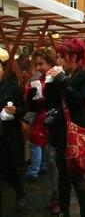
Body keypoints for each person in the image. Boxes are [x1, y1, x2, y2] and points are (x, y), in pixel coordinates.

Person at [45, 38, 85, 217]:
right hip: (60, 132)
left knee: (76, 176)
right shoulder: (63, 76)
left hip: (75, 132)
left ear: (73, 56)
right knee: (62, 176)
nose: (57, 60)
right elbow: (50, 101)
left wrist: (61, 79)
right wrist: (50, 81)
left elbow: (77, 99)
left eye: (61, 56)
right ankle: (64, 210)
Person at [24, 48, 60, 214]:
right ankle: (55, 193)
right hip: (43, 122)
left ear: (50, 62)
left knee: (54, 160)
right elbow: (35, 107)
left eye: (41, 64)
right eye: (36, 64)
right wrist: (30, 99)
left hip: (55, 123)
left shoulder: (58, 77)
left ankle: (59, 195)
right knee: (50, 159)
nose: (38, 67)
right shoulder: (38, 81)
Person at [0, 60, 26, 211]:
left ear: (2, 70)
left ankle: (20, 191)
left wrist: (15, 111)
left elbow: (23, 108)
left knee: (9, 170)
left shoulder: (12, 87)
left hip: (7, 135)